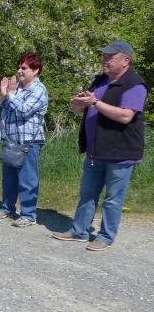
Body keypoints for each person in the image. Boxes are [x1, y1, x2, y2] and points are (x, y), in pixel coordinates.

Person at [51, 40, 148, 251]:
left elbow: (125, 116)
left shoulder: (135, 85)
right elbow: (80, 108)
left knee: (113, 199)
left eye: (110, 57)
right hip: (95, 151)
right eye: (104, 56)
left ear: (126, 60)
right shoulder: (100, 80)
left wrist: (95, 102)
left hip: (120, 153)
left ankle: (105, 236)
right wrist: (78, 103)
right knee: (87, 194)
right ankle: (79, 230)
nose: (104, 60)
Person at [0, 53, 49, 227]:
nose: (19, 71)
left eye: (24, 68)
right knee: (9, 178)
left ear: (35, 70)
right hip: (11, 140)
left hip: (28, 142)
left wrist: (11, 94)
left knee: (27, 179)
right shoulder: (17, 88)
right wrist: (4, 94)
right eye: (19, 67)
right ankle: (7, 208)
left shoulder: (38, 90)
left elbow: (24, 110)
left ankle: (29, 215)